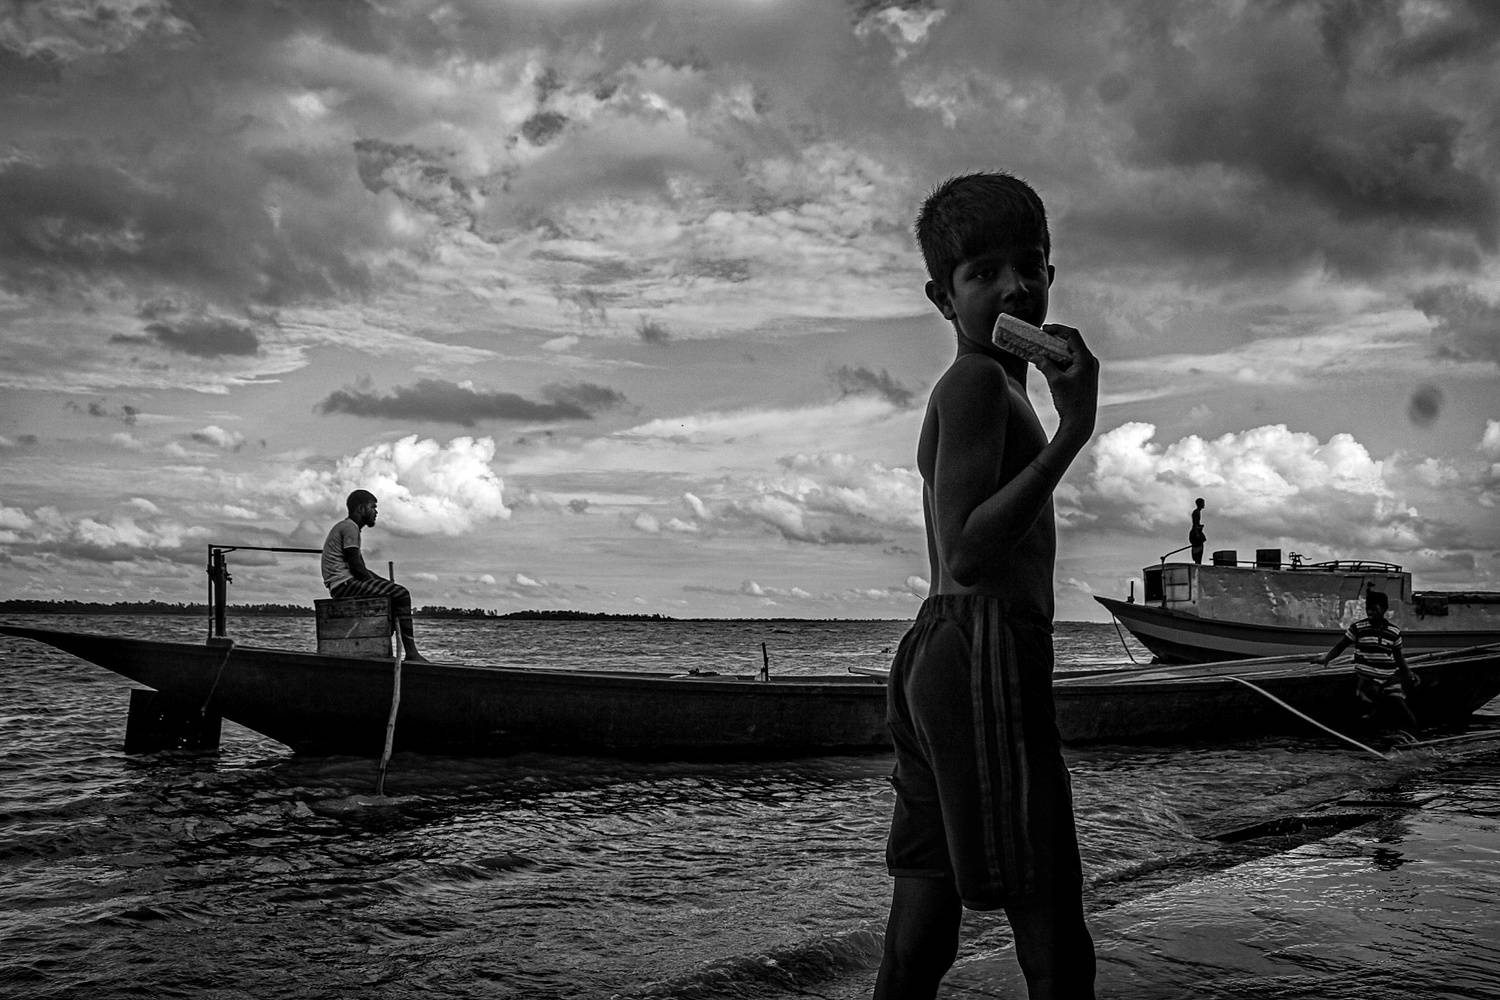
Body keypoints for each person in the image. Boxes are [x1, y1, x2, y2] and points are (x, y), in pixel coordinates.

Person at [875, 172, 1098, 999]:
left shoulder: (999, 387)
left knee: (923, 931)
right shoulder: (976, 384)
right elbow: (969, 550)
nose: (1015, 287)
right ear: (944, 298)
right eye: (984, 273)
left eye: (1030, 266)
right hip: (984, 647)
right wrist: (1074, 431)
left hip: (945, 649)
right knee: (1052, 926)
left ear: (1051, 274)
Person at [322, 489, 428, 662]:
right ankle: (411, 652)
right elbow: (357, 568)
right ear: (361, 508)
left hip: (344, 583)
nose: (375, 512)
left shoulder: (349, 528)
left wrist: (385, 584)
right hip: (344, 585)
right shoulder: (350, 527)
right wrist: (388, 590)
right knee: (401, 594)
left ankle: (385, 642)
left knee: (394, 592)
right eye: (372, 507)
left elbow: (361, 568)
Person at [1313, 589, 1417, 732]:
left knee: (1405, 714)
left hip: (1388, 680)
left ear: (1384, 609)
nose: (1370, 612)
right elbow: (1341, 646)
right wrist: (1326, 658)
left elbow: (1399, 659)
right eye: (1368, 609)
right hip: (1368, 681)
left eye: (1374, 609)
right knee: (1372, 706)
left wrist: (1409, 674)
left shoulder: (1394, 632)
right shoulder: (1358, 628)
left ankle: (1410, 736)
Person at [1189, 497, 1206, 565]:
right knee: (1199, 547)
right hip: (1195, 533)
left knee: (1200, 546)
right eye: (1203, 503)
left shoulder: (1197, 512)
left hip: (1196, 532)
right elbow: (1195, 524)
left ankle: (1198, 562)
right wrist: (1197, 534)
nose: (1204, 504)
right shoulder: (1196, 512)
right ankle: (1197, 563)